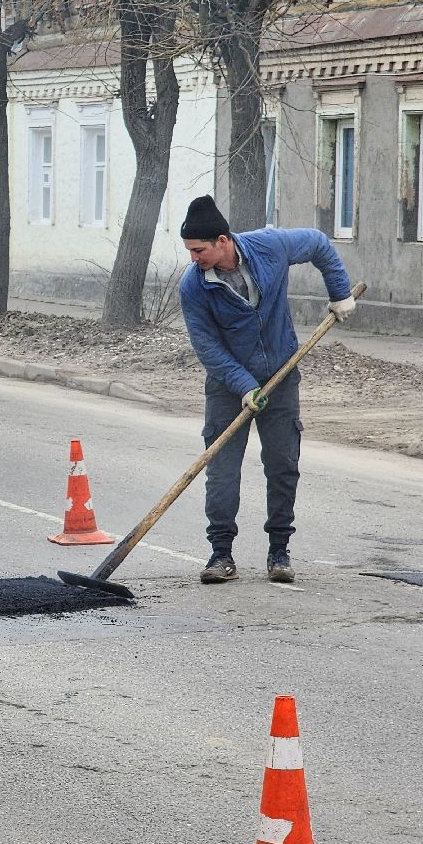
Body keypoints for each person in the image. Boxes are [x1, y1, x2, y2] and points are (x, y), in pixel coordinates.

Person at [178, 195, 356, 586]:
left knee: (282, 465)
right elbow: (207, 347)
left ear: (222, 241)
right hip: (228, 386)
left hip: (281, 375)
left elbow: (319, 244)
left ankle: (279, 551)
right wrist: (244, 385)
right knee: (222, 470)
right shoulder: (194, 287)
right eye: (190, 251)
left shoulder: (268, 246)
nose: (193, 258)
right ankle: (221, 554)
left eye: (199, 250)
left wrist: (339, 293)